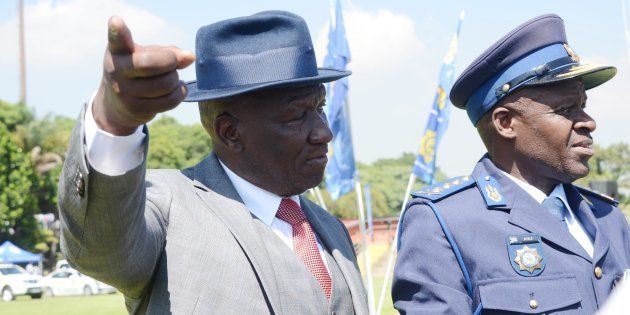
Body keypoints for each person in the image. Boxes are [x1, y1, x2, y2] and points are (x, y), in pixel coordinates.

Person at [58, 11, 368, 314]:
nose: (325, 132)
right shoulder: (169, 208)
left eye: (320, 107)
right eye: (296, 116)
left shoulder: (330, 228)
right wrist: (114, 123)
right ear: (229, 132)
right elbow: (103, 248)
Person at [392, 14, 629, 314]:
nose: (588, 122)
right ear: (505, 122)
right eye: (566, 109)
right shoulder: (444, 223)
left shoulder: (608, 217)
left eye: (583, 106)